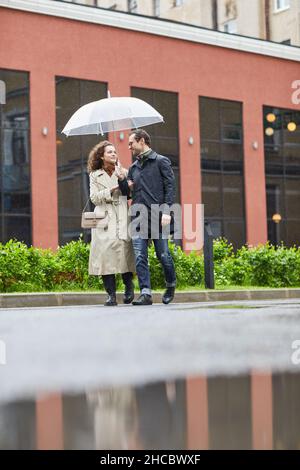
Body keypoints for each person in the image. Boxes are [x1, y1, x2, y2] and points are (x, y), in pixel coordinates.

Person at [117, 129, 176, 306]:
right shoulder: (133, 168)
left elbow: (170, 187)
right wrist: (122, 180)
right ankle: (145, 293)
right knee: (140, 256)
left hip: (159, 217)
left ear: (142, 141)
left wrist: (166, 211)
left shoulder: (161, 161)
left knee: (163, 255)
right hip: (138, 218)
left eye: (131, 143)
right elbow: (127, 194)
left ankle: (171, 284)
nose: (129, 147)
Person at [87, 140, 135, 306]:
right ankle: (111, 295)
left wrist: (123, 180)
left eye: (115, 152)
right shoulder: (94, 175)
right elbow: (94, 198)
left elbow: (129, 193)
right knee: (105, 255)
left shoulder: (125, 172)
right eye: (109, 152)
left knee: (125, 251)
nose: (114, 154)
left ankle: (129, 287)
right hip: (103, 216)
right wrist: (111, 190)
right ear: (101, 156)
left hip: (122, 214)